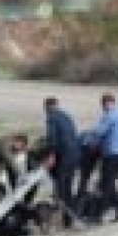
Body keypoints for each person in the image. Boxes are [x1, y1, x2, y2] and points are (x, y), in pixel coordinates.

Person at [92, 93, 118, 222]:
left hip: (112, 153)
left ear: (107, 103)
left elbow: (99, 132)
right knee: (109, 182)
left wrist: (90, 138)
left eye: (104, 104)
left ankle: (100, 213)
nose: (104, 106)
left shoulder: (109, 116)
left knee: (106, 184)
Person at [43, 97, 80, 227]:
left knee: (61, 187)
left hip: (65, 155)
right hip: (75, 153)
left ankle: (64, 218)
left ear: (46, 107)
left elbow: (52, 138)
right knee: (68, 187)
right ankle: (69, 219)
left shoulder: (51, 117)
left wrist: (51, 155)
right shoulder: (66, 116)